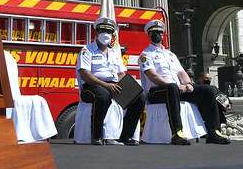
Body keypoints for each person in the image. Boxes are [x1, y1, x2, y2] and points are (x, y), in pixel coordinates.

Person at [139, 19, 230, 145]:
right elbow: (152, 76)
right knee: (172, 88)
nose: (158, 35)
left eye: (160, 32)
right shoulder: (145, 54)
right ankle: (177, 133)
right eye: (154, 33)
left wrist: (188, 84)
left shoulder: (170, 55)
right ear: (149, 35)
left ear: (163, 34)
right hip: (157, 92)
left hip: (177, 89)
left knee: (209, 90)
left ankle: (214, 132)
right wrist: (176, 86)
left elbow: (182, 73)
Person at [77, 17, 143, 146]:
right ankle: (97, 136)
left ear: (113, 34)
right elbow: (84, 73)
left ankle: (126, 136)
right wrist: (106, 85)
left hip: (113, 84)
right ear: (96, 32)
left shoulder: (114, 52)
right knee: (103, 95)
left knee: (139, 96)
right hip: (92, 85)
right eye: (102, 30)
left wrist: (129, 86)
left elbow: (121, 73)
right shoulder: (87, 50)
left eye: (108, 32)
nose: (105, 34)